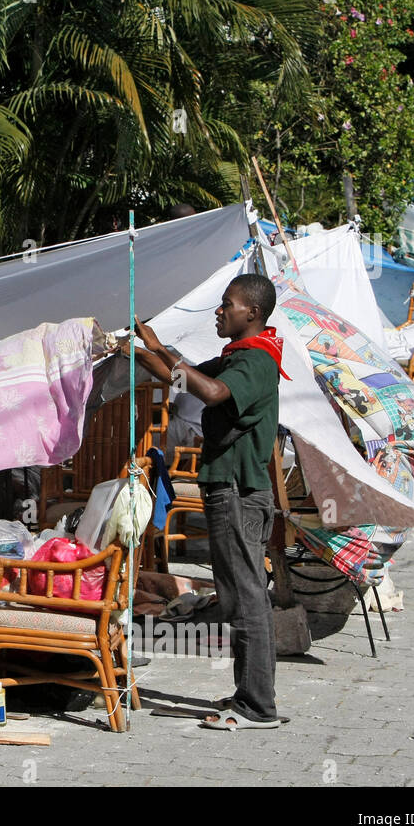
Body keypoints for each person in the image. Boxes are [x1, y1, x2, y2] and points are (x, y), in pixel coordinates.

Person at [124, 272, 288, 730]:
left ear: (252, 313)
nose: (220, 310)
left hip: (237, 491)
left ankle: (258, 706)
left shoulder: (255, 361)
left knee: (246, 597)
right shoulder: (240, 356)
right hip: (231, 490)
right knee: (239, 592)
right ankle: (250, 695)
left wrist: (157, 355)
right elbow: (184, 375)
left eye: (227, 304)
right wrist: (147, 348)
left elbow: (211, 391)